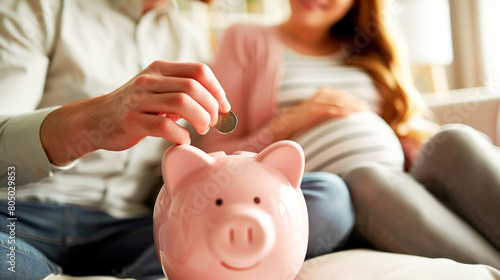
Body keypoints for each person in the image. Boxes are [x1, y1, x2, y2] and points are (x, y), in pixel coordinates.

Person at [0, 0, 355, 278]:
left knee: (325, 198)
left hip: (139, 229)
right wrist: (89, 123)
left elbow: (205, 165)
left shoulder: (192, 39)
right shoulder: (37, 10)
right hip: (16, 217)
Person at [200, 0, 500, 270]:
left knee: (452, 139)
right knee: (366, 177)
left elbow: (403, 124)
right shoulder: (245, 38)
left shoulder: (366, 45)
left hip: (400, 183)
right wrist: (295, 118)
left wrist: (415, 147)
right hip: (342, 198)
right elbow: (217, 154)